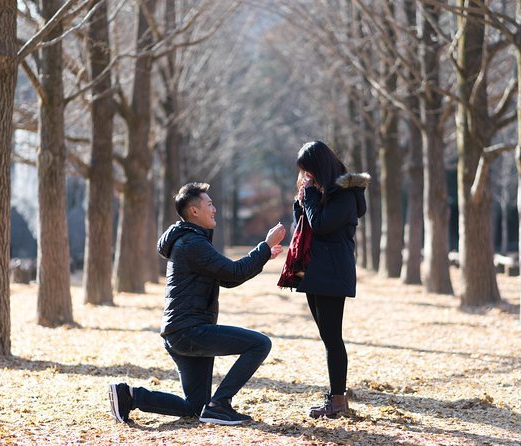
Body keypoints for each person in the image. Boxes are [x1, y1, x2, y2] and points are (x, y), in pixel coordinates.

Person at [109, 182, 285, 425]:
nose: (214, 210)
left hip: (182, 332)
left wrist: (264, 255)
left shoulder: (191, 241)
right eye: (210, 204)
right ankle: (221, 404)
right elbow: (233, 272)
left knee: (195, 407)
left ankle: (129, 396)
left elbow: (228, 279)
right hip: (189, 332)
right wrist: (264, 247)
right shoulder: (192, 243)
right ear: (194, 211)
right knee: (259, 344)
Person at [292, 141, 369, 418]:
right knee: (328, 337)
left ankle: (338, 401)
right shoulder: (324, 191)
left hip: (332, 272)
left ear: (319, 167)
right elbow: (302, 225)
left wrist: (310, 197)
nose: (306, 176)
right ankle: (336, 399)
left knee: (332, 338)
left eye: (308, 171)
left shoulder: (344, 194)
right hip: (317, 271)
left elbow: (322, 225)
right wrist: (300, 201)